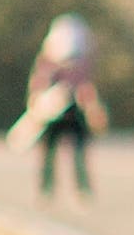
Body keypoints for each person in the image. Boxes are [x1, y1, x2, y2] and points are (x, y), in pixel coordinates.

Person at [12, 14, 107, 199]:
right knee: (48, 151)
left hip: (74, 112)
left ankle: (83, 189)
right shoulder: (47, 64)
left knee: (79, 151)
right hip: (52, 116)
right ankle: (46, 189)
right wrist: (44, 104)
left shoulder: (81, 65)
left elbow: (87, 91)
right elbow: (37, 92)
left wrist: (91, 107)